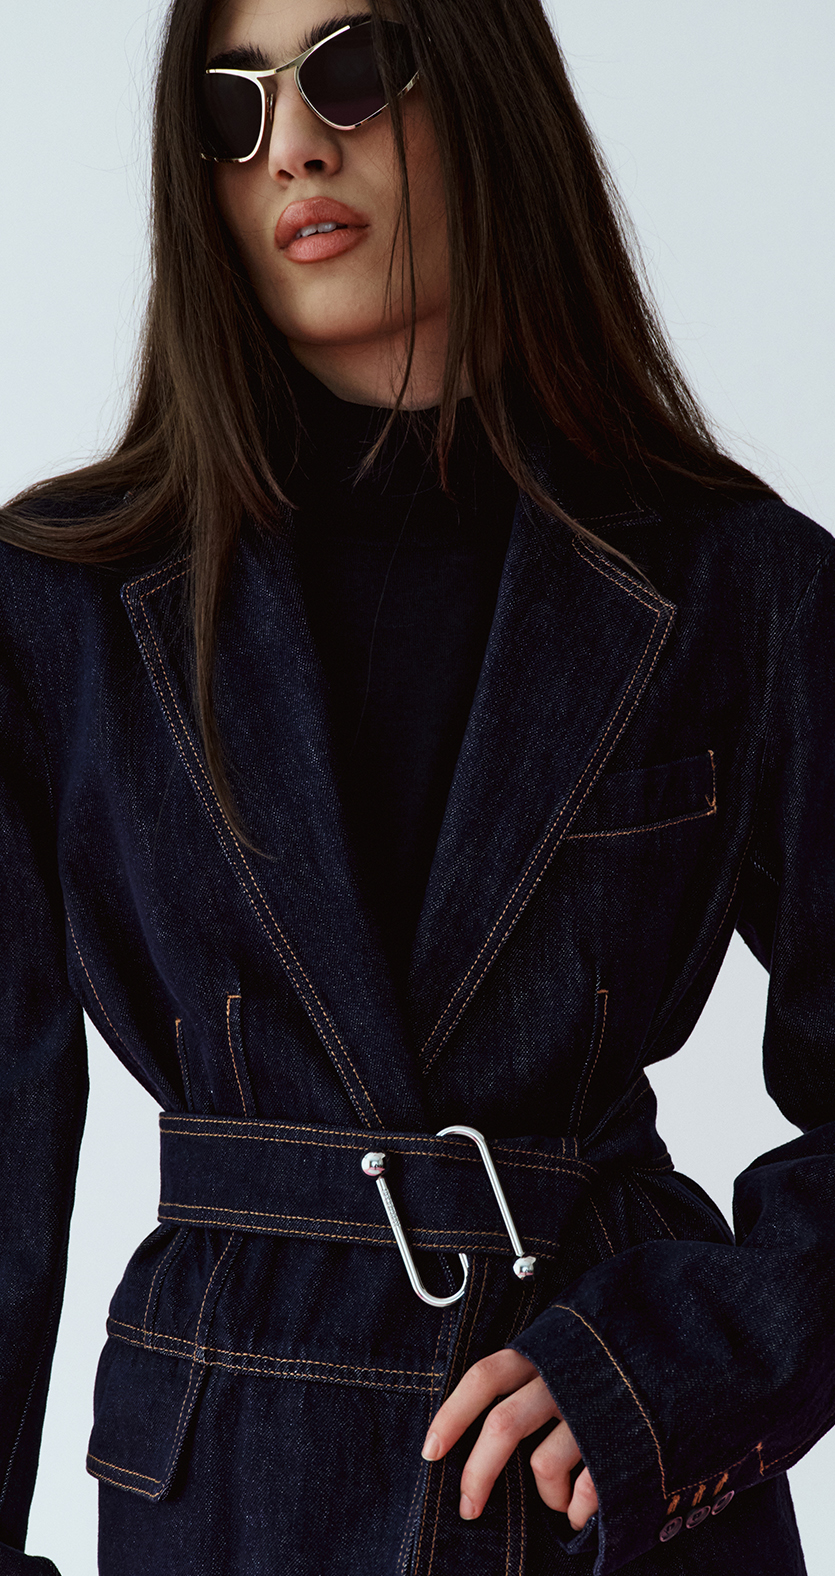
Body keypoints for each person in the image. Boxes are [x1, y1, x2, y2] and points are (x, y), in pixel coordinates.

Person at [0, 0, 833, 1571]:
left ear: (488, 93)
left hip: (601, 1487)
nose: (293, 148)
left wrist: (689, 1367)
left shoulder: (741, 585)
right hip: (231, 1484)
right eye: (231, 111)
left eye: (352, 72)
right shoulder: (60, 609)